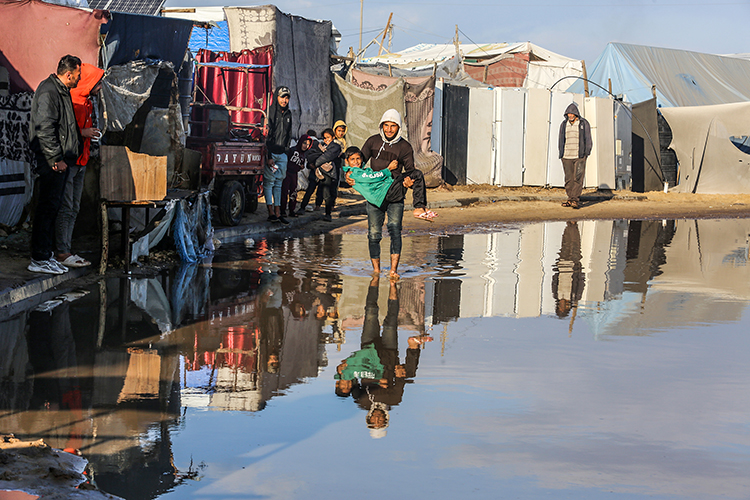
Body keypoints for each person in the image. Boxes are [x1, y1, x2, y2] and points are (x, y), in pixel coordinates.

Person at [352, 109, 435, 278]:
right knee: (374, 234)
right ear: (381, 125)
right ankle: (376, 271)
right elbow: (359, 163)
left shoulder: (404, 146)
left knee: (394, 229)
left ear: (398, 128)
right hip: (375, 194)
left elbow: (410, 171)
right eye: (386, 126)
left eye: (393, 126)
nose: (389, 130)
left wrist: (408, 182)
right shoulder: (372, 142)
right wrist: (350, 174)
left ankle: (393, 271)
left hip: (395, 192)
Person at [28, 55, 82, 275]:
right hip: (51, 162)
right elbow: (45, 128)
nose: (79, 80)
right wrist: (55, 159)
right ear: (68, 74)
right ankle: (39, 258)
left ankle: (45, 255)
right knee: (47, 208)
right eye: (77, 75)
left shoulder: (60, 90)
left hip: (59, 161)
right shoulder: (50, 91)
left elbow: (64, 127)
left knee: (52, 208)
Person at [55, 62, 104, 268]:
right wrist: (83, 133)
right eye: (98, 83)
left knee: (74, 207)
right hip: (69, 161)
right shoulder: (71, 102)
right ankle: (62, 251)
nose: (100, 87)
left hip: (80, 160)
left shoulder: (86, 102)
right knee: (66, 207)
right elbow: (60, 130)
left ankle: (65, 248)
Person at [343, 146, 434, 218]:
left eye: (358, 158)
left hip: (388, 190)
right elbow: (373, 177)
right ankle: (419, 207)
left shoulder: (359, 171)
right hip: (386, 192)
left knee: (413, 176)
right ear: (346, 161)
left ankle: (421, 208)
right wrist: (388, 169)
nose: (356, 161)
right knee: (416, 174)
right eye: (352, 159)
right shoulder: (354, 173)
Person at [265, 86, 292, 224]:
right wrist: (269, 155)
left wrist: (286, 152)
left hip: (282, 155)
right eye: (282, 97)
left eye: (287, 97)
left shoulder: (288, 114)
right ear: (276, 97)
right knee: (269, 182)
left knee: (279, 183)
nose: (285, 100)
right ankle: (270, 212)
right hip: (271, 154)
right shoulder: (270, 112)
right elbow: (267, 135)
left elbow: (288, 134)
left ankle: (278, 212)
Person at [558, 102, 592, 209]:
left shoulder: (583, 123)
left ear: (576, 114)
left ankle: (575, 199)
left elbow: (588, 138)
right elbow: (560, 139)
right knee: (568, 179)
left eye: (572, 114)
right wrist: (561, 153)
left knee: (578, 177)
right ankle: (570, 198)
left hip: (579, 155)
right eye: (568, 114)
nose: (570, 116)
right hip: (566, 155)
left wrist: (586, 152)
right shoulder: (564, 125)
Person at [281, 134, 312, 218]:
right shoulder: (292, 150)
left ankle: (292, 210)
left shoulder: (304, 154)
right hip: (287, 173)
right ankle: (282, 210)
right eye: (304, 143)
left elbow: (301, 165)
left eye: (308, 144)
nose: (306, 146)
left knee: (293, 192)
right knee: (284, 192)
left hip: (294, 174)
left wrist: (301, 167)